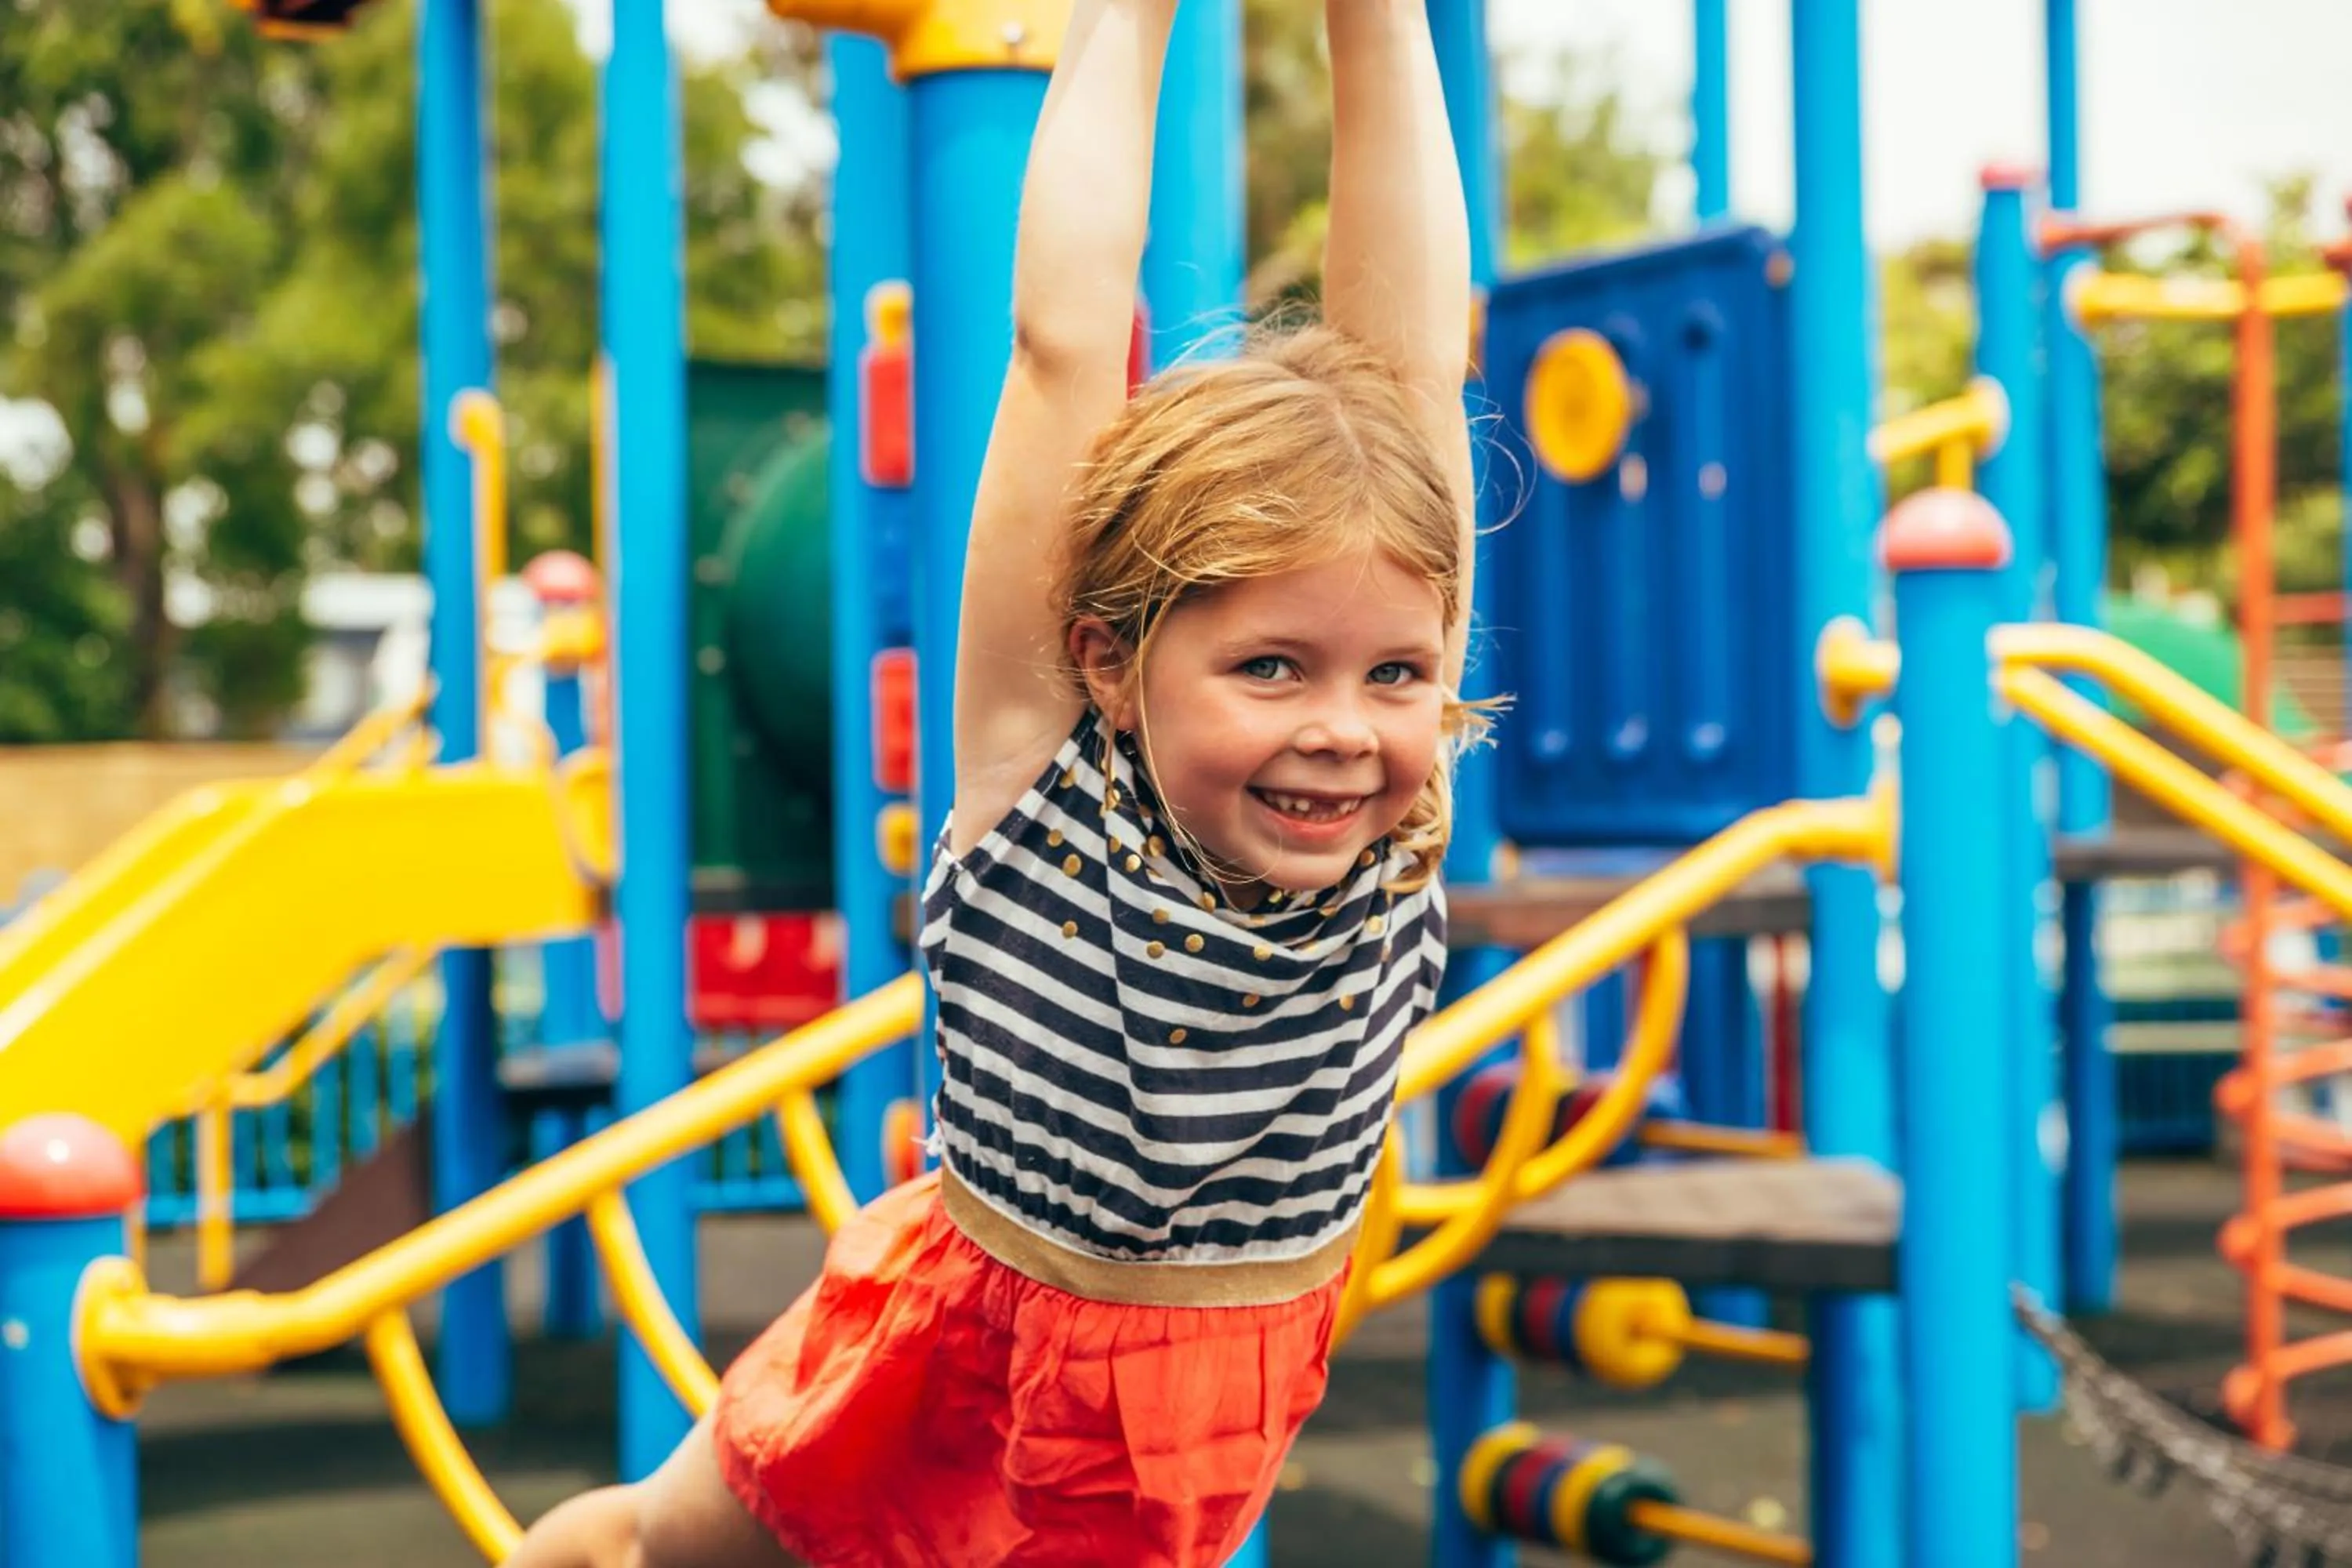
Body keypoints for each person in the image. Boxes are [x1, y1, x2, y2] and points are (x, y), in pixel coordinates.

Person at [506, 0, 1475, 1560]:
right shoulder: (1046, 790)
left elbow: (1420, 358)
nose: (1344, 728)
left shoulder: (1389, 840)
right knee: (650, 1544)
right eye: (1269, 668)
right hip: (956, 1321)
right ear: (1108, 659)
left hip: (1186, 1390)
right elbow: (1066, 337)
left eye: (1396, 674)